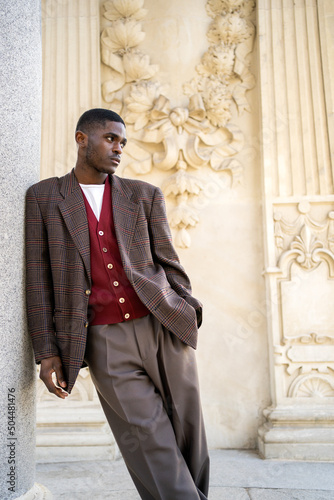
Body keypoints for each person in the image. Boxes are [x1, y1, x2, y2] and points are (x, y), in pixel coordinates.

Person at [25, 108, 209, 499]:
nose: (118, 148)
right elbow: (38, 280)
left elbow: (169, 263)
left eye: (122, 142)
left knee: (189, 432)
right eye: (110, 138)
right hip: (105, 341)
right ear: (82, 139)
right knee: (147, 436)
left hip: (163, 326)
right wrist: (46, 351)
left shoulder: (144, 195)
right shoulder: (43, 197)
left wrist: (187, 309)